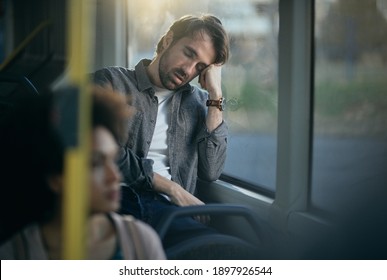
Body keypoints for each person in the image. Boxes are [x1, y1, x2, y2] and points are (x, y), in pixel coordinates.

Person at [92, 14, 230, 248]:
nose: (188, 70)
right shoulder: (111, 82)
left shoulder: (200, 103)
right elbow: (106, 152)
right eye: (188, 53)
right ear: (168, 40)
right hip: (122, 199)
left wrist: (216, 96)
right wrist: (171, 188)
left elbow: (211, 171)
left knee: (230, 248)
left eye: (200, 67)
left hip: (174, 212)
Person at [0, 87, 166, 260]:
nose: (115, 177)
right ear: (55, 178)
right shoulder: (14, 255)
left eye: (112, 160)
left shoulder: (140, 242)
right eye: (95, 164)